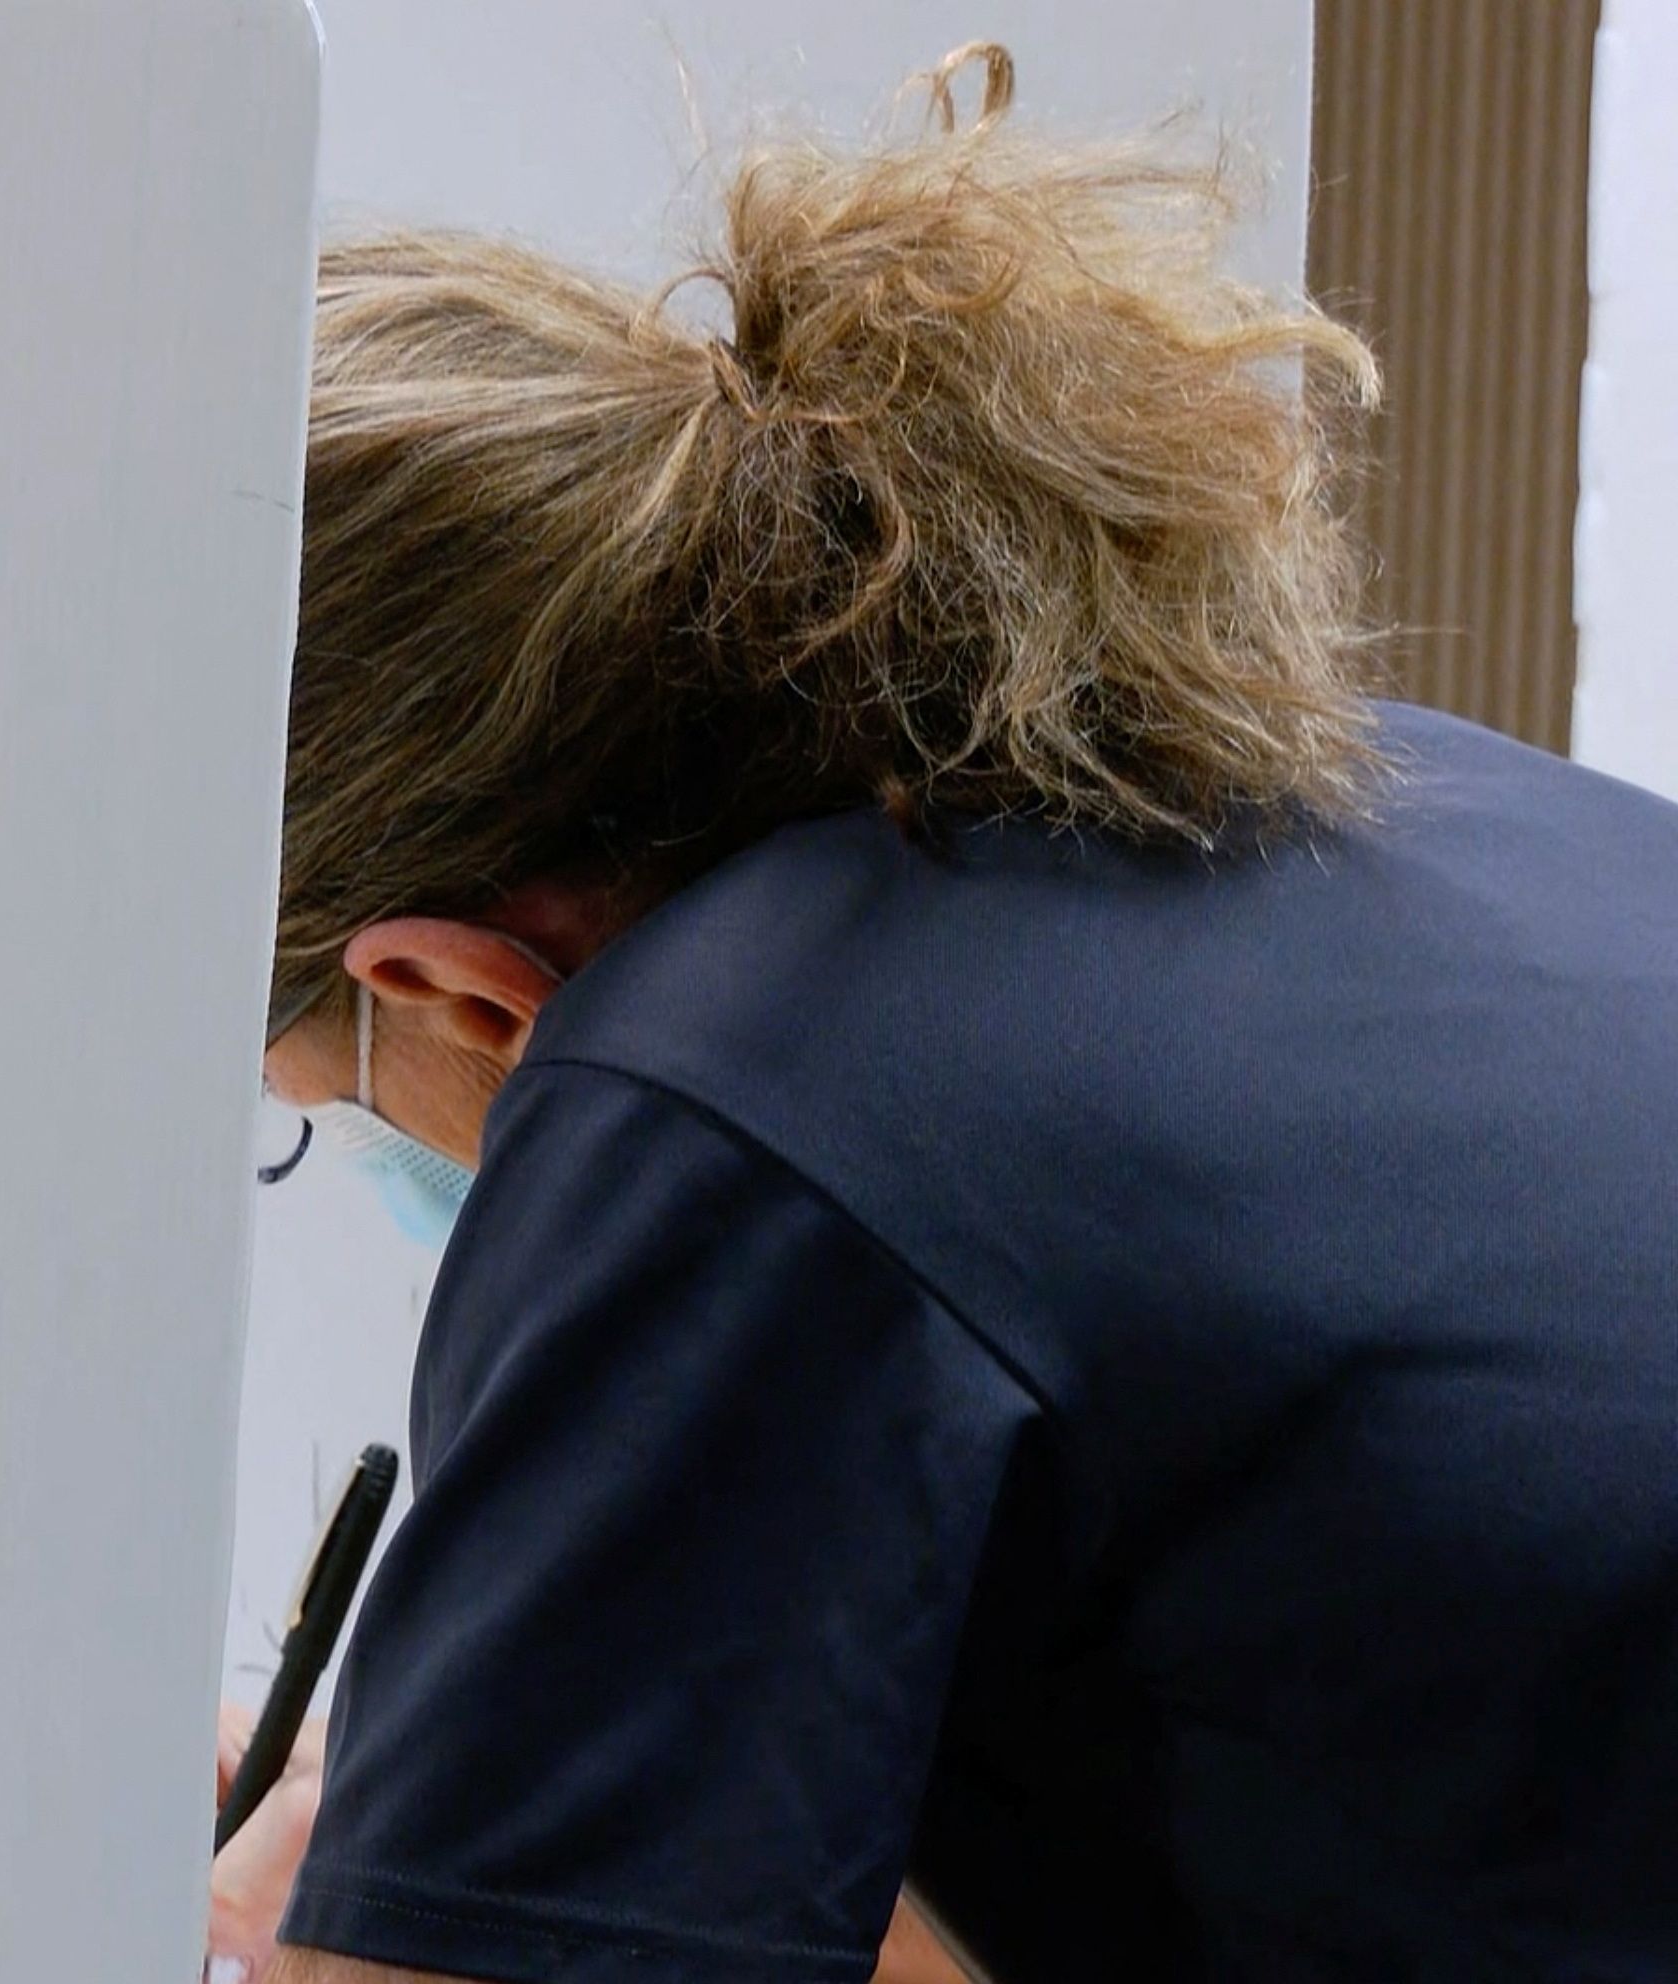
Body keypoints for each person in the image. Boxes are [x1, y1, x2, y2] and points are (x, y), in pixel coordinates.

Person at [220, 44, 1678, 1984]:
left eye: (324, 1099)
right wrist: (509, 1807)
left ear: (449, 987)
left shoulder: (718, 1085)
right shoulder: (1399, 796)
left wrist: (367, 1905)